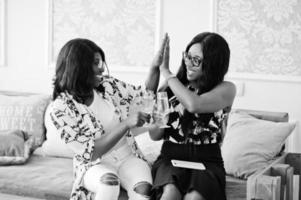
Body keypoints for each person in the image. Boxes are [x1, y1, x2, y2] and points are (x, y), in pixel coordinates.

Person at [48, 37, 167, 200]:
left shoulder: (108, 86)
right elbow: (91, 153)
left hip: (128, 157)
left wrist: (155, 67)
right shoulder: (61, 108)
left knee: (144, 191)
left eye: (101, 62)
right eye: (96, 63)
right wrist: (126, 124)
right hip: (95, 165)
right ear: (79, 67)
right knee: (109, 183)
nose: (102, 69)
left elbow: (145, 95)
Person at [149, 32, 236, 200]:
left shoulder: (226, 89)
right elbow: (154, 135)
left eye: (196, 60)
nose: (188, 63)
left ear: (213, 63)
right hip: (170, 158)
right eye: (187, 57)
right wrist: (159, 119)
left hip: (207, 162)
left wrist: (166, 72)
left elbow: (194, 104)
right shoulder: (169, 87)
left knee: (195, 198)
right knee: (170, 194)